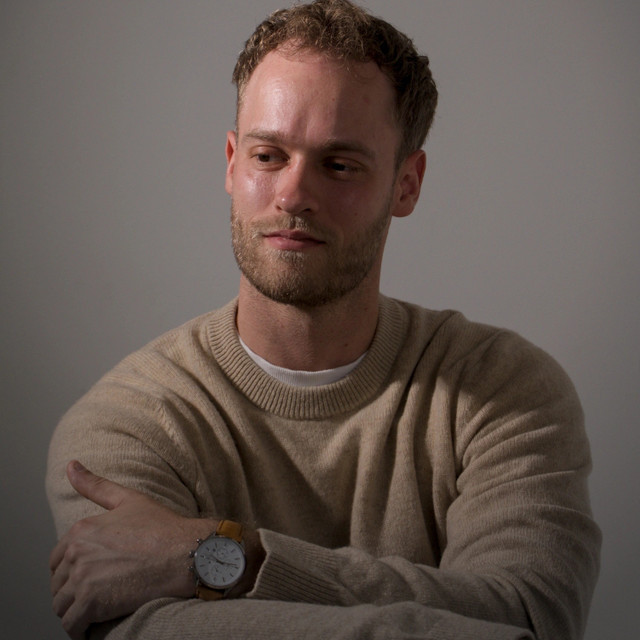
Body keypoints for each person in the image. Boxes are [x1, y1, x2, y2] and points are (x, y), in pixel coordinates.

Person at [46, 1, 601, 639]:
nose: (293, 194)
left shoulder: (503, 389)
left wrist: (228, 558)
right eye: (267, 156)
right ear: (231, 162)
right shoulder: (127, 423)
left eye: (339, 165)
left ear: (407, 183)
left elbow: (531, 616)